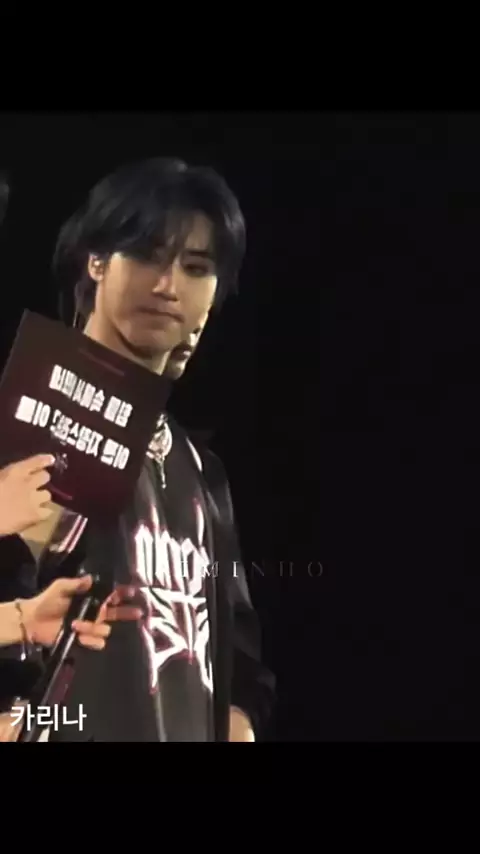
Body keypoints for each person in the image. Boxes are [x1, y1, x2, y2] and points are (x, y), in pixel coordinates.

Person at [28, 155, 275, 743]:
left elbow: (238, 658)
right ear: (95, 261)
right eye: (146, 255)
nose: (168, 286)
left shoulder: (200, 469)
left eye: (195, 267)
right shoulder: (34, 413)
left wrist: (238, 723)